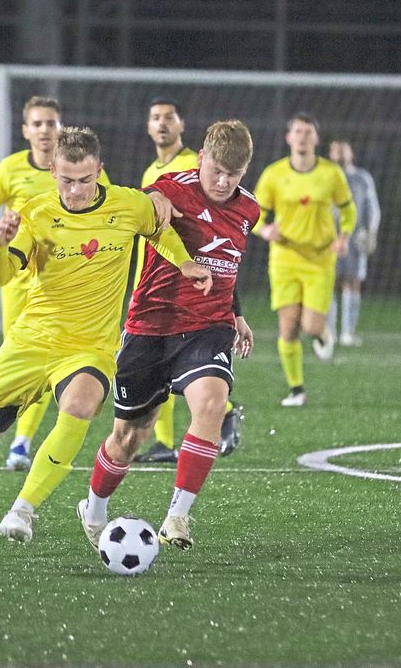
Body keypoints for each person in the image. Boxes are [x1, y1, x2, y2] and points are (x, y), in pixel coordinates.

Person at [0, 127, 211, 564]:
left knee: (81, 404)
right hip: (30, 343)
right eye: (67, 179)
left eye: (85, 179)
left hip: (88, 348)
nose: (76, 189)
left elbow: (159, 230)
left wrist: (184, 262)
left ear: (99, 170)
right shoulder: (34, 214)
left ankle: (24, 508)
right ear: (53, 171)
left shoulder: (129, 204)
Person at [77, 120, 259, 552]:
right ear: (201, 158)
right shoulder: (171, 190)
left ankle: (178, 516)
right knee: (129, 437)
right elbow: (135, 204)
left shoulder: (249, 210)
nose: (223, 181)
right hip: (151, 328)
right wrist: (152, 197)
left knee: (211, 404)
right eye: (216, 170)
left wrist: (236, 314)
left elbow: (227, 265)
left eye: (233, 174)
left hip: (207, 328)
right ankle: (94, 510)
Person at [0, 96, 111, 471]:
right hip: (19, 277)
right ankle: (11, 434)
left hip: (59, 280)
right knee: (24, 358)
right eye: (37, 123)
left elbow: (106, 212)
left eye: (51, 123)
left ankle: (21, 441)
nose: (45, 130)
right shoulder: (10, 169)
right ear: (25, 130)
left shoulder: (82, 170)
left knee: (56, 355)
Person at [133, 98, 245, 463]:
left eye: (169, 117)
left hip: (193, 288)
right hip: (155, 284)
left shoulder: (194, 169)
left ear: (182, 124)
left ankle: (221, 412)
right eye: (155, 117)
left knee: (175, 363)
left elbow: (221, 246)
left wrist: (235, 310)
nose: (162, 123)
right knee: (155, 370)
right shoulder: (152, 170)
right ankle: (165, 441)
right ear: (147, 125)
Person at [253, 113, 357, 407]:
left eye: (308, 132)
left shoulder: (330, 173)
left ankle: (322, 333)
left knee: (310, 326)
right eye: (297, 132)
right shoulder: (274, 174)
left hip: (320, 259)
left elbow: (348, 210)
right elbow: (254, 213)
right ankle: (296, 390)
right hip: (284, 258)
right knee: (288, 327)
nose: (302, 137)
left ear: (316, 138)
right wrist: (264, 230)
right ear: (289, 137)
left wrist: (344, 237)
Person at [327, 140, 381, 346]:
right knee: (329, 282)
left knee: (353, 281)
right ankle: (329, 332)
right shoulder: (324, 176)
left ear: (351, 153)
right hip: (329, 238)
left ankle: (347, 333)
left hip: (354, 237)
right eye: (336, 150)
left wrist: (371, 232)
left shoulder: (361, 178)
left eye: (344, 150)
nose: (340, 154)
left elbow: (372, 206)